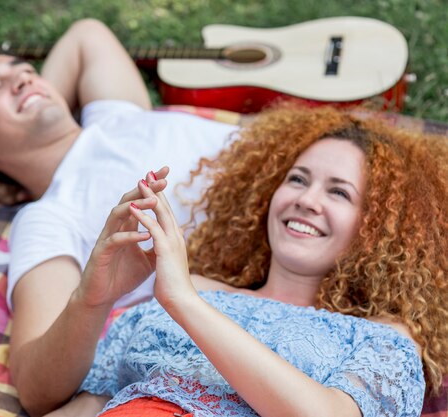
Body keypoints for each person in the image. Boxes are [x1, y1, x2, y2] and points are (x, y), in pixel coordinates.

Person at [49, 105, 448, 417]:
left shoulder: (381, 336)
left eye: (339, 193)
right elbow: (89, 403)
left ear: (378, 228)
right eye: (297, 179)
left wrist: (184, 303)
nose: (307, 200)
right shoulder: (192, 289)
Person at [0, 19, 239, 415]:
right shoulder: (48, 216)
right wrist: (91, 301)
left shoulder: (112, 114)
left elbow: (87, 34)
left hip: (305, 156)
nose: (23, 81)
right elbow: (35, 386)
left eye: (26, 72)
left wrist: (30, 98)